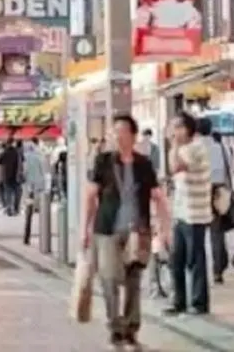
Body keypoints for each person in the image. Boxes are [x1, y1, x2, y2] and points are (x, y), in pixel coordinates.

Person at [82, 114, 171, 350]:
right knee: (109, 280)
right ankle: (115, 328)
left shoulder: (143, 164)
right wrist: (85, 229)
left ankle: (131, 329)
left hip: (138, 230)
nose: (118, 136)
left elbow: (157, 196)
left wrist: (164, 228)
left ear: (133, 135)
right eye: (115, 132)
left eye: (122, 132)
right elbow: (91, 195)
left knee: (133, 281)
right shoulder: (103, 161)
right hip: (108, 230)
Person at [166, 112, 213, 315]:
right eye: (173, 127)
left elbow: (175, 167)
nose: (175, 132)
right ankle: (179, 301)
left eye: (178, 127)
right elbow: (173, 167)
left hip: (195, 213)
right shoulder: (185, 148)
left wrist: (173, 145)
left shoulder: (195, 147)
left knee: (195, 259)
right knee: (176, 260)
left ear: (188, 128)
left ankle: (198, 302)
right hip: (182, 212)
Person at [200, 121, 233, 285]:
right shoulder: (220, 147)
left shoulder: (195, 148)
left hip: (200, 191)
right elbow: (229, 169)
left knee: (197, 232)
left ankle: (200, 270)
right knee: (216, 231)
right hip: (218, 191)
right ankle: (218, 269)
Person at [0, 141, 22, 215]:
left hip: (6, 176)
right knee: (18, 193)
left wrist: (0, 177)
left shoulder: (3, 153)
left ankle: (9, 209)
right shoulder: (18, 153)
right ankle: (16, 208)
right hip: (16, 176)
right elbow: (22, 163)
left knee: (8, 193)